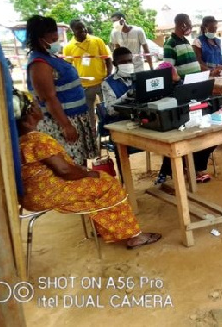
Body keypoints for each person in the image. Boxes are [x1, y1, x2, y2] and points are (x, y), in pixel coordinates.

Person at [14, 90, 161, 249]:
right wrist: (89, 173)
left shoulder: (19, 141)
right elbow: (64, 170)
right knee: (108, 183)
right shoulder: (38, 140)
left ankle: (106, 226)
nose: (39, 107)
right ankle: (135, 237)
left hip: (31, 195)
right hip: (48, 194)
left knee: (94, 181)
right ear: (30, 113)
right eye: (36, 105)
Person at [102, 48, 213, 184]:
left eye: (130, 60)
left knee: (173, 132)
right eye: (123, 62)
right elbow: (110, 110)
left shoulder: (141, 77)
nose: (128, 63)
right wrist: (127, 96)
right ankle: (128, 184)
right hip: (123, 124)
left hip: (145, 119)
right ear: (114, 64)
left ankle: (169, 171)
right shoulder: (108, 83)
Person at [26, 15, 97, 165]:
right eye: (51, 33)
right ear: (40, 37)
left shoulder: (50, 57)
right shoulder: (39, 64)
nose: (55, 36)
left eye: (55, 31)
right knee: (71, 164)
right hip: (60, 122)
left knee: (80, 164)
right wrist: (66, 125)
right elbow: (49, 98)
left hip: (73, 118)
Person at [63, 19, 113, 131]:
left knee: (107, 111)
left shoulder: (97, 41)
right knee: (89, 116)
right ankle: (93, 138)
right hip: (83, 87)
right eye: (79, 29)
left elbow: (108, 60)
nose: (83, 30)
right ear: (73, 31)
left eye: (84, 27)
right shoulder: (68, 47)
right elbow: (67, 67)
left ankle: (109, 134)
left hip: (101, 83)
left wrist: (108, 75)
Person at [163, 13, 203, 78]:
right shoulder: (170, 43)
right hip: (183, 84)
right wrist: (179, 81)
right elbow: (168, 69)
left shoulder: (186, 41)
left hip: (195, 81)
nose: (191, 29)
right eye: (190, 26)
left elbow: (193, 63)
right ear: (183, 25)